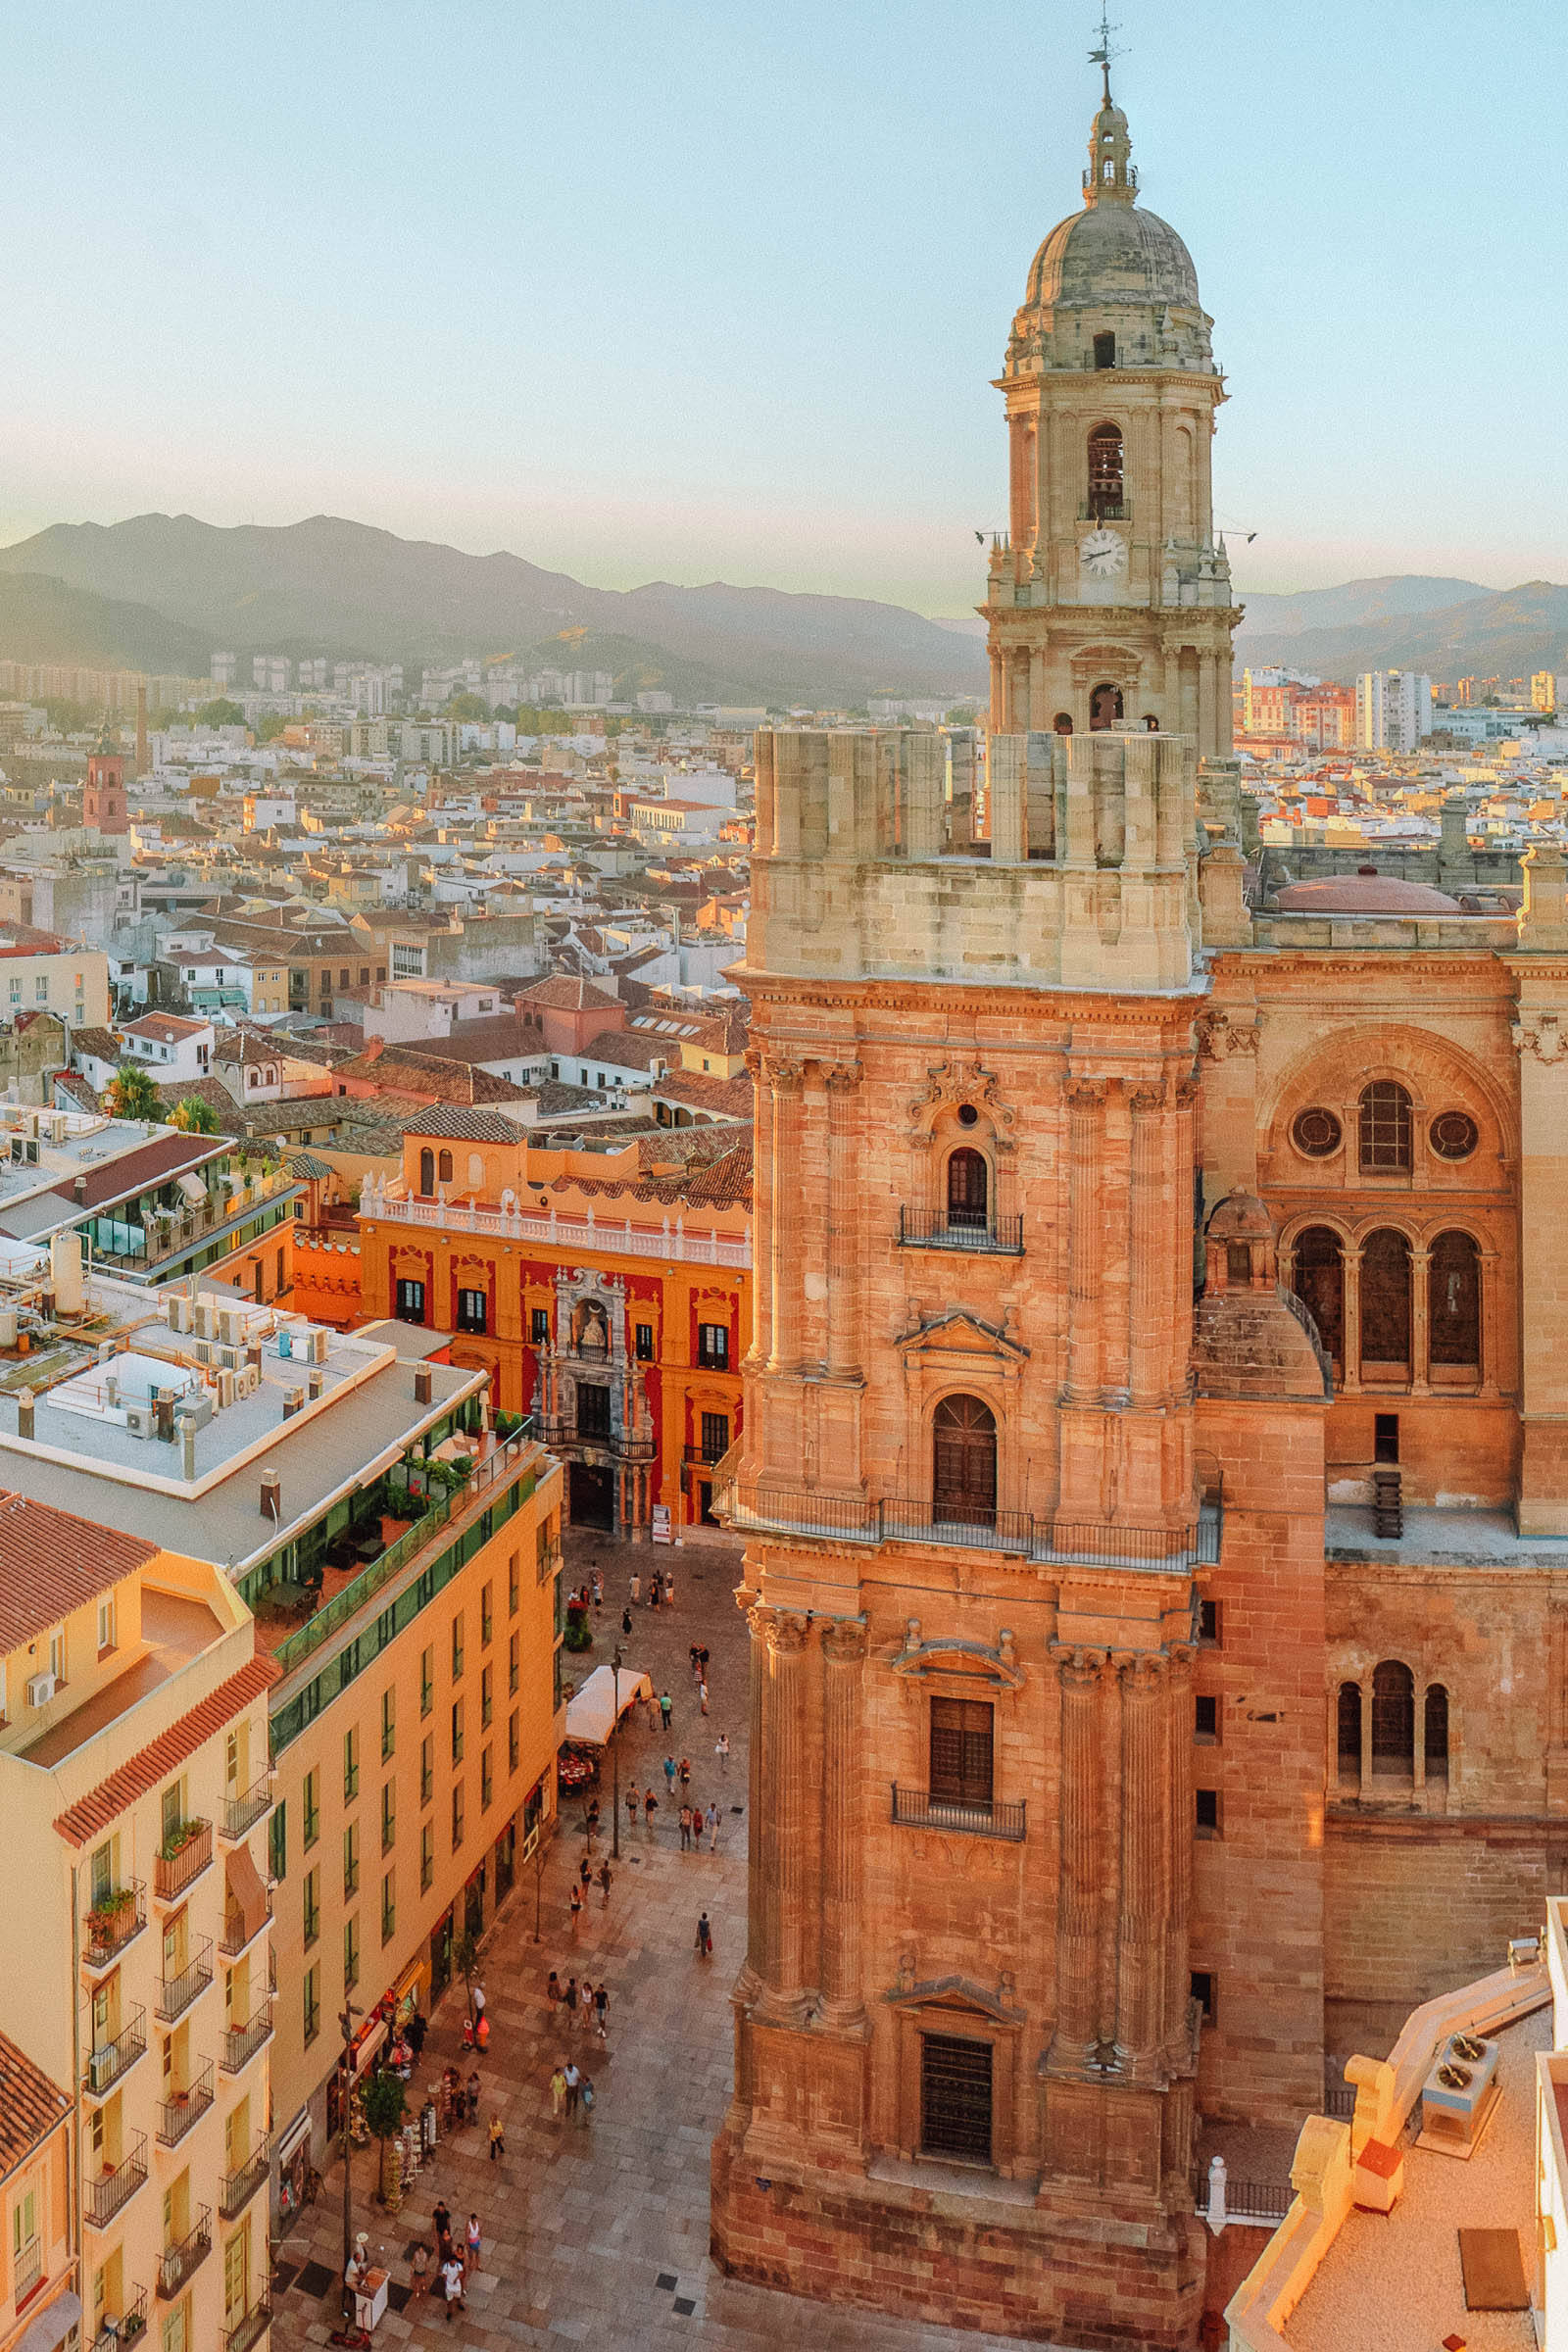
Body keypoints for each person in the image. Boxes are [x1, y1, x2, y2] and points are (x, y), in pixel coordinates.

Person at [441, 2251, 466, 2321]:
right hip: (449, 2287)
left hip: (457, 2285)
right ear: (450, 2261)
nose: (453, 2262)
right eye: (452, 2261)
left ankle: (459, 2304)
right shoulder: (446, 2266)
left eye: (454, 2261)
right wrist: (446, 2282)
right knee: (449, 2301)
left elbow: (461, 2273)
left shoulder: (458, 2265)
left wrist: (456, 2279)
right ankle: (449, 2312)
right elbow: (444, 2275)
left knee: (458, 2296)